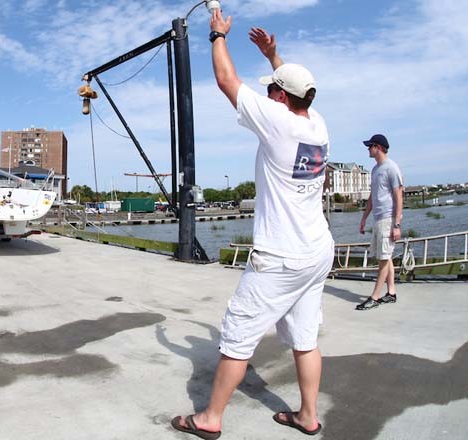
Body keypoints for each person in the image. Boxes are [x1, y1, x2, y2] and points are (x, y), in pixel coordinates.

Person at [171, 11, 333, 439]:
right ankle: (308, 416)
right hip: (317, 251)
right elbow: (296, 90)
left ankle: (209, 419)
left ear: (279, 97)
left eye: (274, 89)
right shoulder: (317, 125)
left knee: (238, 337)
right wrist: (274, 55)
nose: (272, 93)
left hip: (280, 257)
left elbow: (228, 81)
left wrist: (216, 35)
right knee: (305, 337)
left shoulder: (276, 123)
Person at [356, 134, 404, 310]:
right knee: (386, 256)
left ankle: (374, 297)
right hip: (378, 218)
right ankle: (391, 292)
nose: (368, 149)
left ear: (378, 147)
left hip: (388, 219)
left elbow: (399, 196)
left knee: (383, 259)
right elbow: (372, 196)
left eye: (370, 146)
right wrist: (364, 218)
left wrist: (396, 224)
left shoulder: (391, 168)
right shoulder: (375, 170)